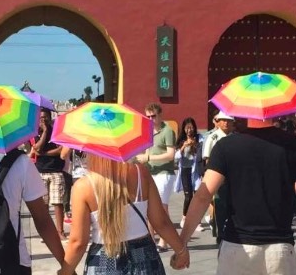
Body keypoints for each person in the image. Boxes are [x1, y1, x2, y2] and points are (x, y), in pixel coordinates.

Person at [179, 114, 296, 275]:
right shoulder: (294, 145)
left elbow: (203, 196)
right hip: (280, 248)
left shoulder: (225, 146)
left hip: (237, 246)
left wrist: (182, 244)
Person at [61, 153, 189, 274]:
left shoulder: (83, 187)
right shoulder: (141, 173)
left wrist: (65, 271)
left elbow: (78, 243)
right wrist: (181, 252)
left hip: (103, 261)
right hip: (145, 257)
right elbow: (161, 222)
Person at [137, 103, 176, 249]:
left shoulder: (168, 131)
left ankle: (165, 241)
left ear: (160, 115)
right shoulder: (147, 131)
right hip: (150, 172)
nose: (150, 119)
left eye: (153, 116)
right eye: (147, 116)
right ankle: (152, 241)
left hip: (164, 173)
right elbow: (146, 153)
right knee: (148, 208)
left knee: (162, 208)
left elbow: (171, 155)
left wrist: (149, 159)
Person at [30, 108, 69, 238]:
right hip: (41, 171)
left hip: (56, 171)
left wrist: (44, 153)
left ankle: (60, 231)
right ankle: (46, 232)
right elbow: (36, 149)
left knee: (58, 202)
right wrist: (45, 132)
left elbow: (60, 150)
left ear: (50, 117)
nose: (43, 120)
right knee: (43, 204)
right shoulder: (36, 133)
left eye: (45, 117)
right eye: (41, 118)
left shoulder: (57, 132)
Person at [201, 111, 235, 231]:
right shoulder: (213, 137)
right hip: (219, 177)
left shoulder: (234, 138)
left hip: (232, 177)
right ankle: (220, 232)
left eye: (229, 121)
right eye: (224, 120)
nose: (226, 123)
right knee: (220, 205)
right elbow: (207, 159)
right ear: (218, 122)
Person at [175, 117, 203, 224]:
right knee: (188, 196)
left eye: (191, 128)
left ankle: (197, 221)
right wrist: (183, 146)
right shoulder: (181, 140)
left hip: (196, 170)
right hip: (185, 170)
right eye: (187, 128)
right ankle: (184, 217)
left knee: (197, 195)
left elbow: (201, 153)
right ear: (184, 129)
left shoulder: (199, 138)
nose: (189, 130)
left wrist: (195, 145)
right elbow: (176, 157)